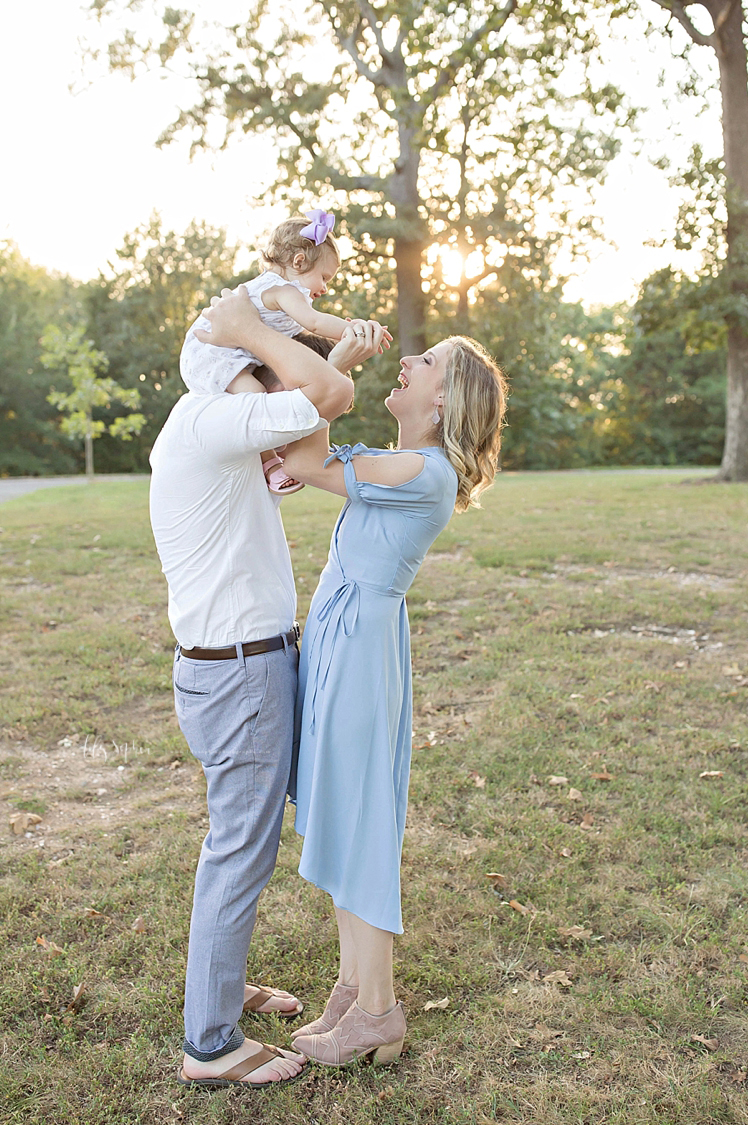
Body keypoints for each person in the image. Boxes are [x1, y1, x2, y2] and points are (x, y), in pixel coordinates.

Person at [150, 287, 389, 1088]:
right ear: (246, 372)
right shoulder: (216, 418)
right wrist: (261, 328)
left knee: (240, 839)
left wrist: (316, 354)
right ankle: (210, 1042)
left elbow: (312, 408)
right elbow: (320, 395)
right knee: (239, 851)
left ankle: (223, 985)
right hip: (241, 670)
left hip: (242, 663)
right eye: (267, 370)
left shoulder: (213, 422)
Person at [271, 335, 507, 1066]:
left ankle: (377, 1012)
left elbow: (307, 461)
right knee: (344, 811)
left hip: (363, 647)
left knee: (362, 819)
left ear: (443, 398)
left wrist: (333, 362)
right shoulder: (409, 464)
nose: (407, 361)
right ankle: (351, 987)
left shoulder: (423, 470)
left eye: (426, 361)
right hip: (349, 636)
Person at [178, 208, 389, 493]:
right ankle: (270, 462)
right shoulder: (284, 291)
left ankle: (271, 453)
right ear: (299, 262)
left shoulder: (278, 291)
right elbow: (314, 323)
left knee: (255, 397)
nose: (325, 288)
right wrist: (353, 330)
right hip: (212, 353)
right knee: (254, 396)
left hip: (225, 349)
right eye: (324, 278)